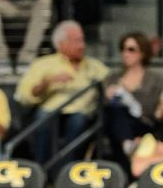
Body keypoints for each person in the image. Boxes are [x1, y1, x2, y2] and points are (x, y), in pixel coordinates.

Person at [17, 20, 109, 165]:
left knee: (79, 121)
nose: (82, 45)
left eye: (82, 40)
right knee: (42, 118)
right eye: (76, 41)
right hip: (50, 111)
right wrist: (47, 83)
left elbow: (110, 85)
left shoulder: (95, 66)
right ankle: (41, 169)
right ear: (61, 44)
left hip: (82, 113)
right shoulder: (43, 64)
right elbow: (23, 95)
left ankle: (66, 170)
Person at [103, 31, 163, 157]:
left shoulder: (154, 79)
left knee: (119, 113)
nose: (125, 54)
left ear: (142, 52)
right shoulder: (113, 78)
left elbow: (148, 110)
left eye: (131, 50)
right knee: (115, 111)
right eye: (123, 49)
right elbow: (104, 107)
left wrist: (126, 96)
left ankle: (127, 146)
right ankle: (127, 145)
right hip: (114, 123)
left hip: (143, 123)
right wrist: (107, 97)